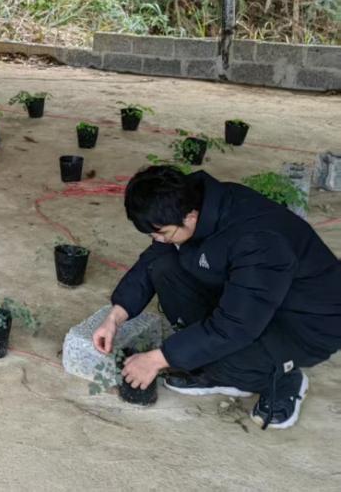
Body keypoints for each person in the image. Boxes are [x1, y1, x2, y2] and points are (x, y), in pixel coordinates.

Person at [93, 165, 341, 429]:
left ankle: (282, 379)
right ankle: (215, 367)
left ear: (190, 217)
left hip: (307, 324)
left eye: (162, 233)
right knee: (164, 267)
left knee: (221, 356)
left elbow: (235, 327)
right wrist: (115, 317)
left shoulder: (259, 242)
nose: (158, 240)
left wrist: (157, 359)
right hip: (260, 300)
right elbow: (154, 257)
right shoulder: (193, 201)